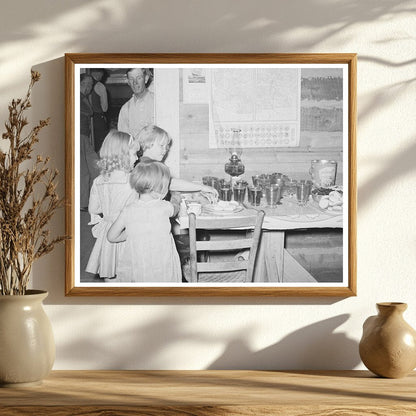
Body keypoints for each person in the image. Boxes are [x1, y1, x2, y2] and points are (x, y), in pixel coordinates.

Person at [107, 162, 182, 283]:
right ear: (160, 188)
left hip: (137, 262)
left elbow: (111, 236)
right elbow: (175, 209)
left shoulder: (128, 209)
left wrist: (129, 234)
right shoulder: (165, 206)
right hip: (162, 262)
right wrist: (176, 198)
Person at [85, 129, 139, 279]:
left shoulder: (99, 181)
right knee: (129, 272)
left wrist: (108, 213)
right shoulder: (133, 181)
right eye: (134, 154)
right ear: (122, 155)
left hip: (108, 231)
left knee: (109, 271)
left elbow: (94, 208)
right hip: (126, 232)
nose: (136, 158)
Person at [135, 124, 218, 196]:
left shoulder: (146, 163)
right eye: (161, 145)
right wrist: (201, 187)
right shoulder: (147, 166)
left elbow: (170, 183)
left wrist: (200, 188)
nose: (165, 150)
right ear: (148, 143)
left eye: (166, 146)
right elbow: (171, 184)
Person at [79, 73, 100, 209]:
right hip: (78, 134)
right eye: (85, 84)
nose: (88, 87)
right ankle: (83, 203)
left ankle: (93, 202)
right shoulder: (76, 96)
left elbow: (89, 111)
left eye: (90, 85)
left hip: (85, 136)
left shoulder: (83, 97)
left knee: (95, 167)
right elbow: (89, 111)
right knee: (84, 171)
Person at [117, 68, 154, 139]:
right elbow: (124, 141)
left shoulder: (157, 102)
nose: (135, 82)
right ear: (128, 82)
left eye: (139, 78)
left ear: (146, 79)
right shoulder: (125, 109)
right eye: (131, 79)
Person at [90, 68, 109, 152]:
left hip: (86, 119)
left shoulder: (82, 84)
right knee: (100, 146)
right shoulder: (100, 86)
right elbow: (105, 108)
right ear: (99, 74)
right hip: (97, 119)